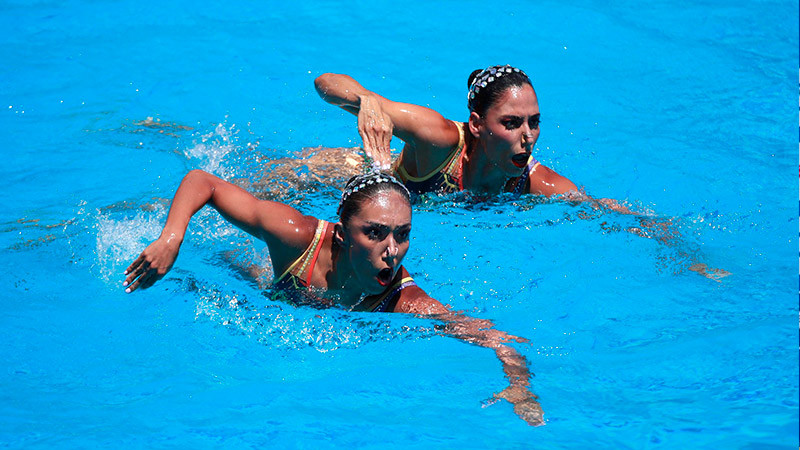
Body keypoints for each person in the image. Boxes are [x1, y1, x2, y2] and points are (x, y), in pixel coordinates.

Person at [122, 169, 545, 426]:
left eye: (402, 234)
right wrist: (172, 238)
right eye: (375, 232)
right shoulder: (297, 236)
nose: (392, 249)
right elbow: (205, 183)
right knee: (233, 261)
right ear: (343, 235)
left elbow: (496, 338)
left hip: (290, 302)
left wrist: (519, 388)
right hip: (269, 277)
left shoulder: (403, 299)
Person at [315, 65, 626, 207]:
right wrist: (368, 101)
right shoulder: (439, 140)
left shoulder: (533, 182)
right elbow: (325, 82)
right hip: (333, 176)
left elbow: (594, 207)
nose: (528, 136)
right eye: (512, 123)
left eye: (534, 122)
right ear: (476, 124)